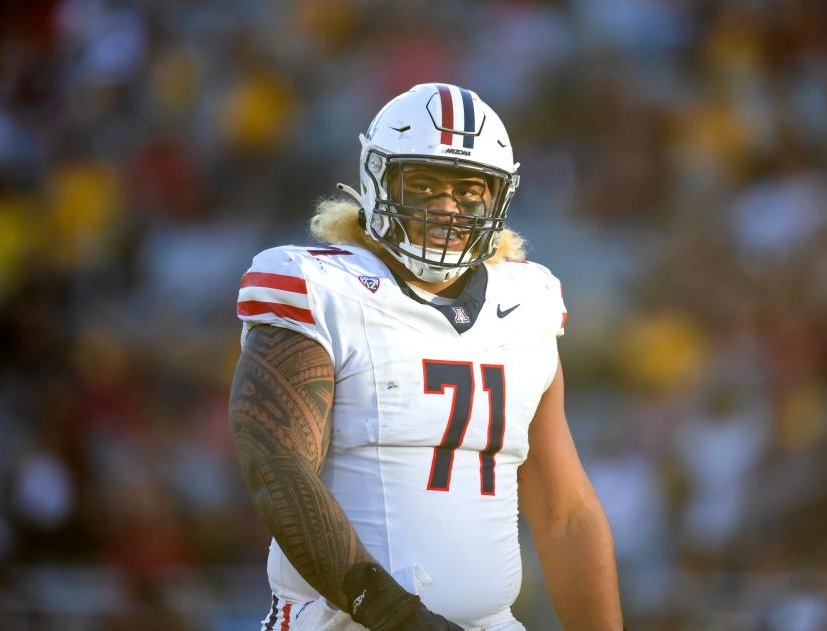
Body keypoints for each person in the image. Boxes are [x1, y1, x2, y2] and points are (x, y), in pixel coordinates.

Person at [229, 83, 624, 631]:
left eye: (468, 191)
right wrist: (392, 612)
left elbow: (564, 512)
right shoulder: (319, 285)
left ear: (498, 198)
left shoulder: (528, 301)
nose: (447, 208)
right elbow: (276, 468)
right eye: (423, 185)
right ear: (377, 181)